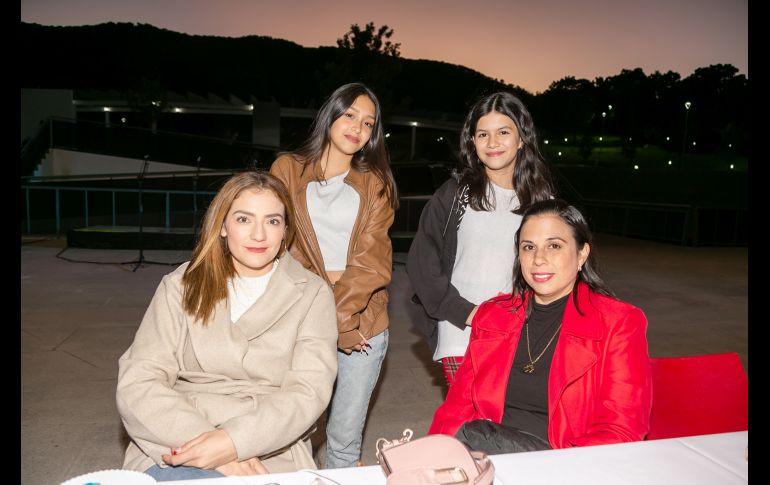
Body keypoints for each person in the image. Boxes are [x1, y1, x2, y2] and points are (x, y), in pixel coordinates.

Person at [116, 172, 338, 481]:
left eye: (272, 221)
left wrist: (233, 442)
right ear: (222, 225)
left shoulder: (313, 293)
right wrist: (208, 445)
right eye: (244, 219)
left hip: (268, 440)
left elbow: (308, 391)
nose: (259, 235)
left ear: (285, 230)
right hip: (179, 429)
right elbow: (139, 380)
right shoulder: (180, 285)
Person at [429, 199, 652, 452]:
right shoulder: (493, 315)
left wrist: (553, 466)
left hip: (564, 459)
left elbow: (622, 430)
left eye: (554, 246)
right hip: (487, 454)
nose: (538, 259)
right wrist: (436, 456)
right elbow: (456, 409)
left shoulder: (618, 322)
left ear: (582, 254)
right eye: (529, 247)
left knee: (473, 434)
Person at [270, 82, 398, 468]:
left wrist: (342, 321)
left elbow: (372, 262)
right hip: (301, 315)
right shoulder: (287, 169)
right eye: (350, 115)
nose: (358, 128)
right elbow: (277, 244)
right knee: (289, 433)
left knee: (343, 440)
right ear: (331, 115)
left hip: (362, 322)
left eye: (368, 123)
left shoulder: (376, 183)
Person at [407, 91, 555, 387]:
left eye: (503, 132)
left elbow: (553, 269)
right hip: (460, 332)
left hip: (520, 333)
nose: (492, 142)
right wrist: (470, 314)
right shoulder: (454, 195)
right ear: (472, 142)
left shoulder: (542, 201)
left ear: (522, 138)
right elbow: (422, 263)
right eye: (483, 134)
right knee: (471, 414)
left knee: (513, 415)